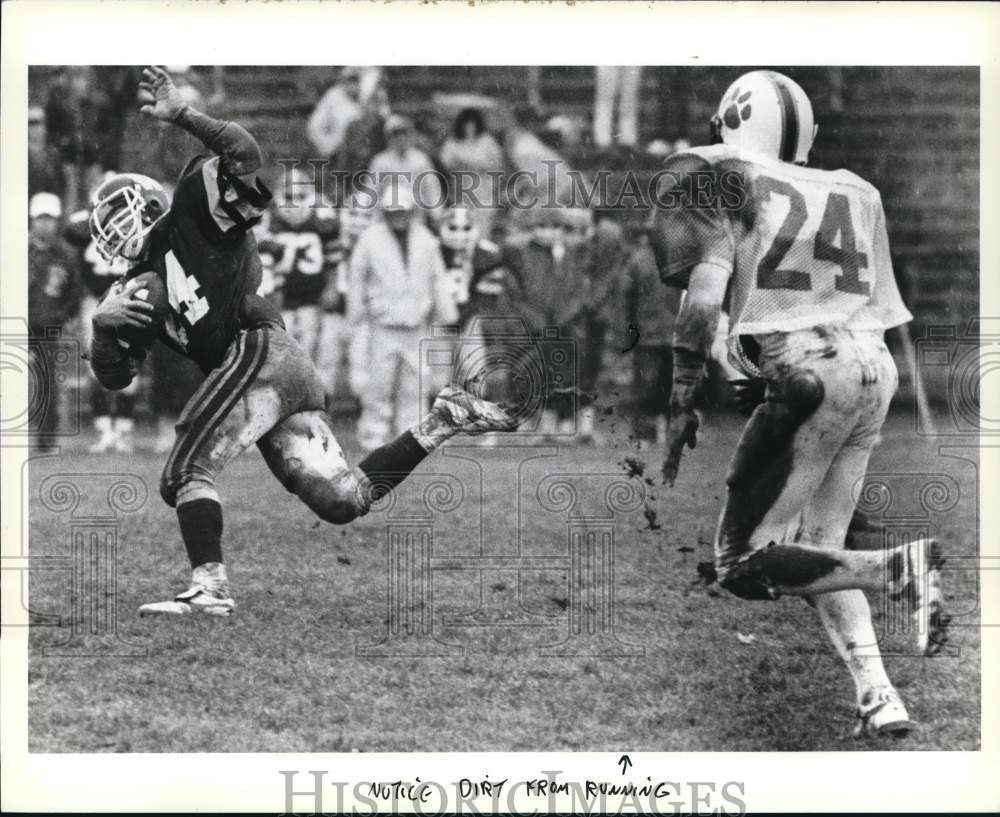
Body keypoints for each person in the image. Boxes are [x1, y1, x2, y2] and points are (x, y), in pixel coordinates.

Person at [88, 67, 518, 618]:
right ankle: (443, 420)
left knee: (185, 470)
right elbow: (116, 376)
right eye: (108, 222)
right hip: (273, 373)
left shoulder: (194, 207)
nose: (115, 231)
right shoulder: (134, 290)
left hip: (259, 353)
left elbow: (245, 156)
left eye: (118, 215)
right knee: (343, 499)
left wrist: (184, 117)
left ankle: (211, 588)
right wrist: (104, 329)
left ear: (147, 203)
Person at [652, 70, 947, 737]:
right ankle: (879, 693)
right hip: (873, 367)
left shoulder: (724, 180)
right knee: (821, 545)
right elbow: (868, 304)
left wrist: (683, 393)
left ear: (730, 124)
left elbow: (702, 301)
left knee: (742, 562)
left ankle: (898, 567)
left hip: (811, 372)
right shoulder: (855, 188)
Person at [347, 178, 456, 451]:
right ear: (384, 212)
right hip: (382, 322)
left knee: (417, 381)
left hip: (416, 323)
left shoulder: (426, 239)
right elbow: (357, 277)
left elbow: (438, 277)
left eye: (403, 211)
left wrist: (445, 312)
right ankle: (374, 434)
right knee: (378, 383)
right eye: (393, 212)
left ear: (412, 211)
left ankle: (412, 434)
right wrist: (355, 313)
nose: (399, 216)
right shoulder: (369, 239)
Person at [257, 166, 343, 404]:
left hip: (313, 297)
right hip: (283, 299)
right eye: (289, 196)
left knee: (317, 353)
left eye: (300, 196)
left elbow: (334, 259)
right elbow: (263, 261)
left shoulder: (323, 217)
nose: (294, 204)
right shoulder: (268, 219)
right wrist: (271, 292)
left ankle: (319, 406)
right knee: (282, 356)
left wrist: (332, 286)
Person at [28, 192, 80, 445]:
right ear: (32, 220)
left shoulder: (66, 255)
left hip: (49, 326)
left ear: (58, 221)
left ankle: (46, 439)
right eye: (40, 218)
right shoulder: (18, 250)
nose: (45, 224)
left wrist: (62, 316)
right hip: (18, 323)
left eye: (50, 218)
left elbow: (75, 293)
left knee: (47, 381)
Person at [439, 107, 504, 240]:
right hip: (461, 194)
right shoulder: (452, 142)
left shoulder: (487, 141)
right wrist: (464, 166)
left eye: (472, 123)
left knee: (483, 233)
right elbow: (446, 164)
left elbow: (497, 165)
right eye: (466, 124)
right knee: (462, 231)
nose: (469, 127)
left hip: (484, 194)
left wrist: (474, 166)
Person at [368, 115, 443, 223]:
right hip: (388, 216)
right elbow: (372, 191)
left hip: (415, 216)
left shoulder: (421, 159)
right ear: (389, 138)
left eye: (404, 134)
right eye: (395, 135)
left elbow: (432, 190)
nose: (400, 139)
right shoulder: (380, 161)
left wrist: (437, 216)